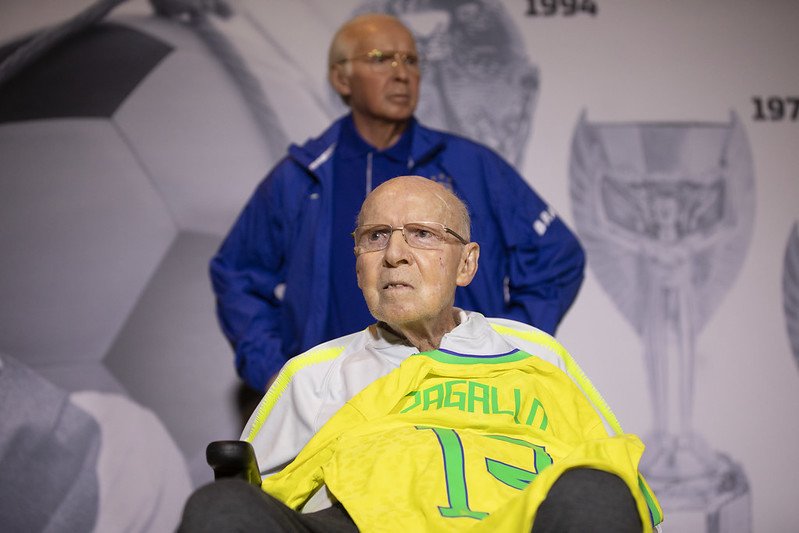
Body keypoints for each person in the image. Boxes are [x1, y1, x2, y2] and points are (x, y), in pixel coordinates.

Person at [181, 176, 662, 532]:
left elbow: (618, 485)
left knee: (596, 492)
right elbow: (259, 498)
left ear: (467, 263)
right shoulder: (314, 375)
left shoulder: (535, 353)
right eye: (375, 237)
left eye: (422, 234)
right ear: (359, 266)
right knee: (221, 508)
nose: (394, 254)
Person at [209, 13, 586, 392]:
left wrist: (503, 348)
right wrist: (275, 374)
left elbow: (557, 259)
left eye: (411, 60)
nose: (401, 73)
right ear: (342, 78)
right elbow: (237, 274)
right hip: (335, 405)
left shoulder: (470, 166)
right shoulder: (303, 176)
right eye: (380, 58)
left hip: (452, 398)